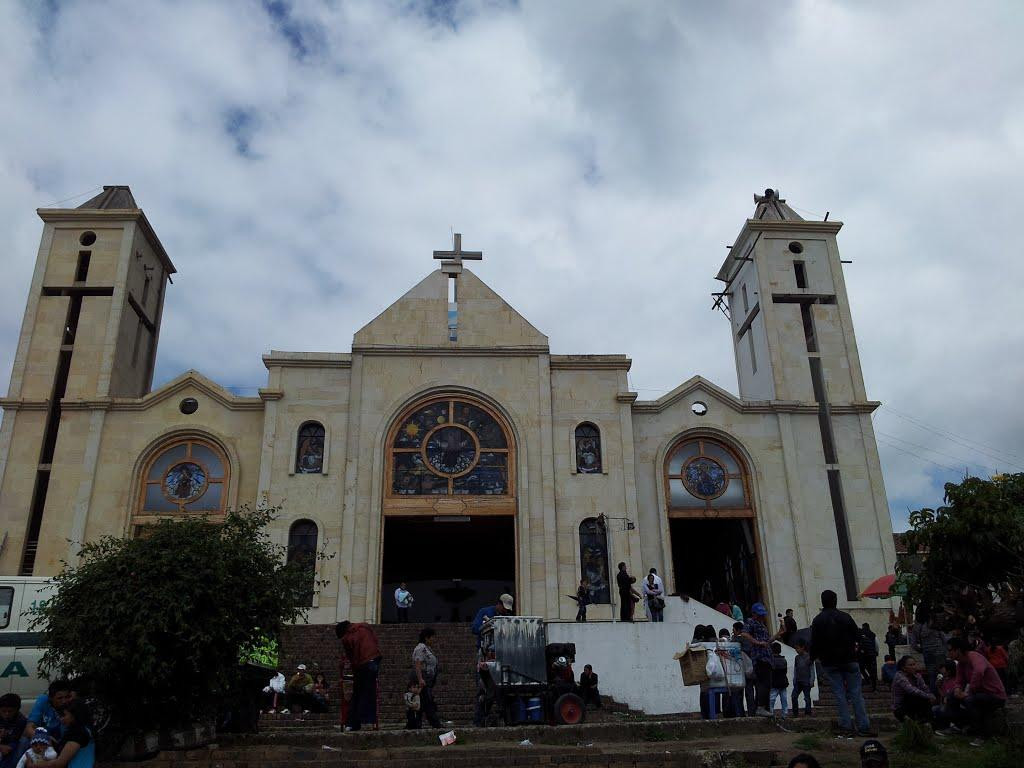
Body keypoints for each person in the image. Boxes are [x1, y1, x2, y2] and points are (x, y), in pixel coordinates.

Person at [809, 589, 873, 737]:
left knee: (839, 695)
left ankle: (846, 725)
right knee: (856, 693)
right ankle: (863, 726)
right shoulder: (845, 617)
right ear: (835, 601)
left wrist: (812, 658)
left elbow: (815, 643)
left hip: (830, 662)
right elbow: (858, 636)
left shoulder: (818, 620)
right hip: (849, 659)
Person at [942, 635, 1007, 744]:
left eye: (950, 650)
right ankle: (959, 725)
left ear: (958, 650)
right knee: (951, 695)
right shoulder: (961, 664)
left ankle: (982, 735)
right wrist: (957, 689)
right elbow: (959, 680)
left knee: (970, 700)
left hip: (995, 695)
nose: (948, 653)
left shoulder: (974, 656)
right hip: (979, 694)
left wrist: (968, 692)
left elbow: (979, 672)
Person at [335, 620, 383, 732]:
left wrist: (354, 668)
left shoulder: (347, 637)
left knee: (358, 693)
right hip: (375, 659)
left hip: (363, 663)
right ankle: (368, 721)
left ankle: (354, 722)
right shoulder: (365, 627)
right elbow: (375, 640)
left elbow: (353, 654)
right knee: (370, 692)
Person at [738, 602, 773, 716]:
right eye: (759, 614)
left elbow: (766, 641)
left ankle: (765, 708)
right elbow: (744, 634)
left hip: (767, 657)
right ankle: (760, 707)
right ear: (754, 614)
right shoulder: (751, 622)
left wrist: (778, 634)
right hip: (759, 657)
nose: (762, 616)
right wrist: (757, 642)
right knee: (763, 682)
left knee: (767, 683)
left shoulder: (763, 625)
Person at [38, 700, 95, 768]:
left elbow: (59, 763)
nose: (61, 719)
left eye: (63, 715)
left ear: (74, 715)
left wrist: (34, 765)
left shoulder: (78, 733)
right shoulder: (84, 729)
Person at [891, 656, 935, 723]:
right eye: (910, 665)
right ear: (904, 668)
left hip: (914, 705)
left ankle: (930, 723)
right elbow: (911, 690)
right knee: (914, 696)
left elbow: (925, 688)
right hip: (900, 708)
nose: (913, 667)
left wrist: (931, 695)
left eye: (914, 664)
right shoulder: (899, 676)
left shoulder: (917, 676)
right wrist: (928, 696)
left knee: (924, 698)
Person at [412, 627, 442, 728]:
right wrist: (420, 679)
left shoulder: (427, 648)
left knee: (423, 702)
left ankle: (417, 723)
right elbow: (418, 663)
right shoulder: (421, 648)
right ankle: (435, 724)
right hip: (423, 678)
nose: (434, 639)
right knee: (428, 701)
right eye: (432, 637)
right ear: (426, 638)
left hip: (428, 678)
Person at [910, 613, 947, 693]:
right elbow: (944, 639)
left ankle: (934, 695)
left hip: (927, 654)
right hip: (940, 653)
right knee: (942, 674)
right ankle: (944, 693)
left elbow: (913, 644)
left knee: (932, 675)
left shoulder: (917, 627)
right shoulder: (935, 624)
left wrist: (922, 650)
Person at [0, 693, 27, 768]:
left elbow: (17, 739)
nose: (7, 714)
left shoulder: (21, 720)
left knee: (24, 741)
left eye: (10, 711)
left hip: (11, 746)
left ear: (17, 710)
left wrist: (10, 747)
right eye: (3, 711)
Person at [791, 639, 815, 717]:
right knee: (794, 696)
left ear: (803, 647)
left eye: (798, 648)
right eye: (795, 648)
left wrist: (812, 680)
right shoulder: (796, 658)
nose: (796, 650)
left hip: (806, 681)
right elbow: (795, 669)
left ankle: (808, 712)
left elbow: (812, 669)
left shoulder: (809, 657)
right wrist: (794, 679)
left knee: (807, 697)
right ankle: (795, 713)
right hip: (798, 681)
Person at [769, 642, 789, 718]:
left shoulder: (771, 661)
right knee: (784, 700)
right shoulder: (784, 660)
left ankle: (771, 714)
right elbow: (785, 671)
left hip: (774, 683)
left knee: (772, 700)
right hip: (783, 682)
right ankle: (785, 714)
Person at [858, 623, 879, 692]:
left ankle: (867, 680)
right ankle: (873, 684)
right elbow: (877, 644)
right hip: (872, 654)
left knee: (861, 668)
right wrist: (876, 652)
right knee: (872, 670)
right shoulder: (873, 634)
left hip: (864, 655)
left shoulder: (861, 635)